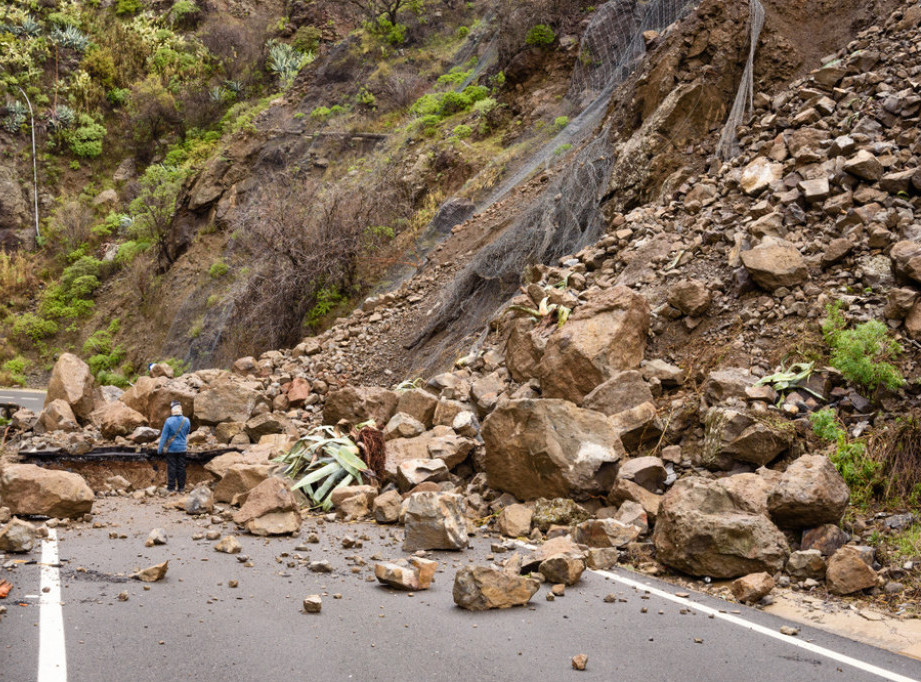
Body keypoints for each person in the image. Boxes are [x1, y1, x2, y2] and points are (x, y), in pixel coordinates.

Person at [158, 401, 190, 493]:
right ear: (181, 410)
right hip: (182, 448)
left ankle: (171, 487)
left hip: (171, 449)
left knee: (171, 467)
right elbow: (187, 432)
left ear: (172, 411)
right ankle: (181, 488)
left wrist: (160, 450)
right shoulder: (186, 420)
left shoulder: (168, 421)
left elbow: (163, 437)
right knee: (181, 467)